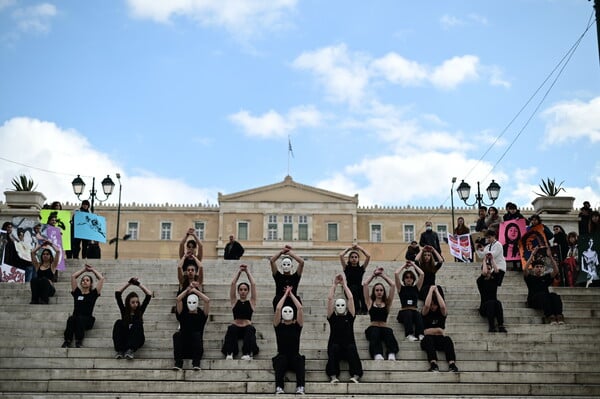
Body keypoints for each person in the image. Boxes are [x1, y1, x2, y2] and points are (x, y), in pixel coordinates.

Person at [326, 274, 363, 384]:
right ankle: (333, 376)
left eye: (342, 305)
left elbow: (351, 298)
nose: (340, 307)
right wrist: (334, 285)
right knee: (333, 348)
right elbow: (330, 299)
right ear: (335, 307)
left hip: (348, 346)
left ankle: (356, 375)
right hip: (335, 346)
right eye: (338, 305)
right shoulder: (332, 317)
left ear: (346, 307)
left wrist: (344, 285)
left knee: (352, 348)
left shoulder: (350, 317)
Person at [62, 264, 105, 348]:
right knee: (71, 318)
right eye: (83, 280)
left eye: (87, 280)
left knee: (80, 319)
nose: (85, 281)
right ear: (81, 283)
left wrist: (92, 270)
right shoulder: (77, 293)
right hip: (76, 318)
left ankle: (79, 341)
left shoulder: (93, 294)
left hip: (87, 319)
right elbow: (73, 277)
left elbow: (101, 279)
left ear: (91, 283)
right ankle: (67, 341)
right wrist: (84, 270)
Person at [222, 265, 259, 360]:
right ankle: (230, 353)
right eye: (241, 290)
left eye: (245, 290)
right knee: (231, 328)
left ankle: (247, 353)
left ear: (248, 291)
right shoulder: (234, 301)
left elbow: (253, 284)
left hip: (247, 328)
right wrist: (239, 272)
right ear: (238, 291)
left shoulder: (251, 302)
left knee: (250, 329)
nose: (243, 291)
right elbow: (233, 284)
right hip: (236, 328)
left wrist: (247, 272)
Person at [272, 286, 305, 395]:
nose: (287, 313)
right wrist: (285, 295)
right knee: (281, 360)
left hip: (294, 356)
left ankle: (300, 387)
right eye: (285, 311)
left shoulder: (297, 326)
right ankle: (279, 387)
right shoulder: (278, 326)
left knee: (300, 360)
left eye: (289, 311)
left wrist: (291, 295)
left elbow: (299, 308)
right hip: (282, 356)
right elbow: (277, 308)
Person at [362, 267, 398, 361]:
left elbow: (393, 285)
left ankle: (391, 353)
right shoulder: (370, 302)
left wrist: (382, 275)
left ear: (383, 292)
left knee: (388, 332)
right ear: (374, 292)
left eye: (381, 290)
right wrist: (374, 275)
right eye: (377, 290)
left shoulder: (387, 303)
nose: (379, 292)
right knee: (375, 332)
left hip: (384, 328)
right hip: (373, 328)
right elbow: (365, 284)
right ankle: (377, 354)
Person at [420, 285, 459, 372]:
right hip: (428, 340)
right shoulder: (426, 312)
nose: (433, 306)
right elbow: (426, 305)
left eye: (435, 305)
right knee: (428, 339)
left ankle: (452, 364)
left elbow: (443, 307)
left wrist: (436, 291)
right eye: (432, 304)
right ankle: (433, 364)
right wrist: (430, 290)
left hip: (439, 340)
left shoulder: (441, 313)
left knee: (447, 339)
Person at [113, 277, 153, 359]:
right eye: (133, 302)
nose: (136, 304)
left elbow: (149, 294)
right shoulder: (124, 311)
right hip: (126, 338)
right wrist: (129, 283)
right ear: (128, 303)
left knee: (138, 323)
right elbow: (117, 293)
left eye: (137, 302)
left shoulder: (140, 311)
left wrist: (138, 284)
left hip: (137, 339)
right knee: (119, 322)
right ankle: (120, 350)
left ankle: (130, 350)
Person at [172, 286, 210, 370]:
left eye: (194, 302)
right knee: (177, 335)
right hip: (184, 349)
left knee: (196, 334)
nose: (191, 304)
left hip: (196, 349)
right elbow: (178, 299)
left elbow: (207, 300)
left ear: (197, 302)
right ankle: (178, 363)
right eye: (189, 302)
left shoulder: (201, 315)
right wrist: (187, 290)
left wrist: (195, 291)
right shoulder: (183, 314)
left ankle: (196, 363)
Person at [523, 247, 564, 324]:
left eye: (541, 267)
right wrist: (532, 255)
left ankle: (559, 315)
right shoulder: (530, 278)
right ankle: (550, 317)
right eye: (537, 267)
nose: (539, 268)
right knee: (543, 295)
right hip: (534, 300)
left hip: (545, 299)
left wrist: (550, 257)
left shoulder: (546, 277)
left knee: (554, 295)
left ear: (543, 269)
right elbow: (525, 270)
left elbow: (556, 271)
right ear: (533, 269)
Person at [394, 261, 425, 341]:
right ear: (404, 279)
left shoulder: (416, 288)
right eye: (407, 277)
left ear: (413, 279)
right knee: (408, 312)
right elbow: (396, 274)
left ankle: (420, 334)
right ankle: (409, 334)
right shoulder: (401, 288)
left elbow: (422, 274)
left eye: (411, 277)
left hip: (414, 311)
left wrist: (413, 265)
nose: (409, 279)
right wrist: (404, 265)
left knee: (418, 314)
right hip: (404, 312)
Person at [477, 253, 507, 333]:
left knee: (498, 303)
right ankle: (492, 326)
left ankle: (501, 325)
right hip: (484, 307)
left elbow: (497, 271)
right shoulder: (480, 281)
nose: (488, 270)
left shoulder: (494, 281)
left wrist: (492, 259)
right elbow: (484, 273)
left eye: (489, 269)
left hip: (494, 306)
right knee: (491, 303)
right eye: (486, 268)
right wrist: (484, 260)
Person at [269, 246, 305, 311]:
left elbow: (301, 262)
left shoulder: (295, 277)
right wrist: (281, 252)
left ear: (291, 266)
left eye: (288, 264)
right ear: (281, 266)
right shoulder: (278, 276)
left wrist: (290, 253)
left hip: (292, 300)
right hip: (280, 300)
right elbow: (272, 261)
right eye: (284, 264)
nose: (286, 266)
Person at [339, 243, 371, 315]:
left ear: (358, 259)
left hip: (359, 288)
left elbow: (368, 256)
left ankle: (364, 310)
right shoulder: (346, 268)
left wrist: (359, 248)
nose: (354, 258)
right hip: (349, 289)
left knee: (362, 288)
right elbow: (341, 255)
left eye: (356, 257)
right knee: (354, 288)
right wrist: (350, 248)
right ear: (349, 259)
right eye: (352, 257)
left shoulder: (361, 268)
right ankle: (356, 309)